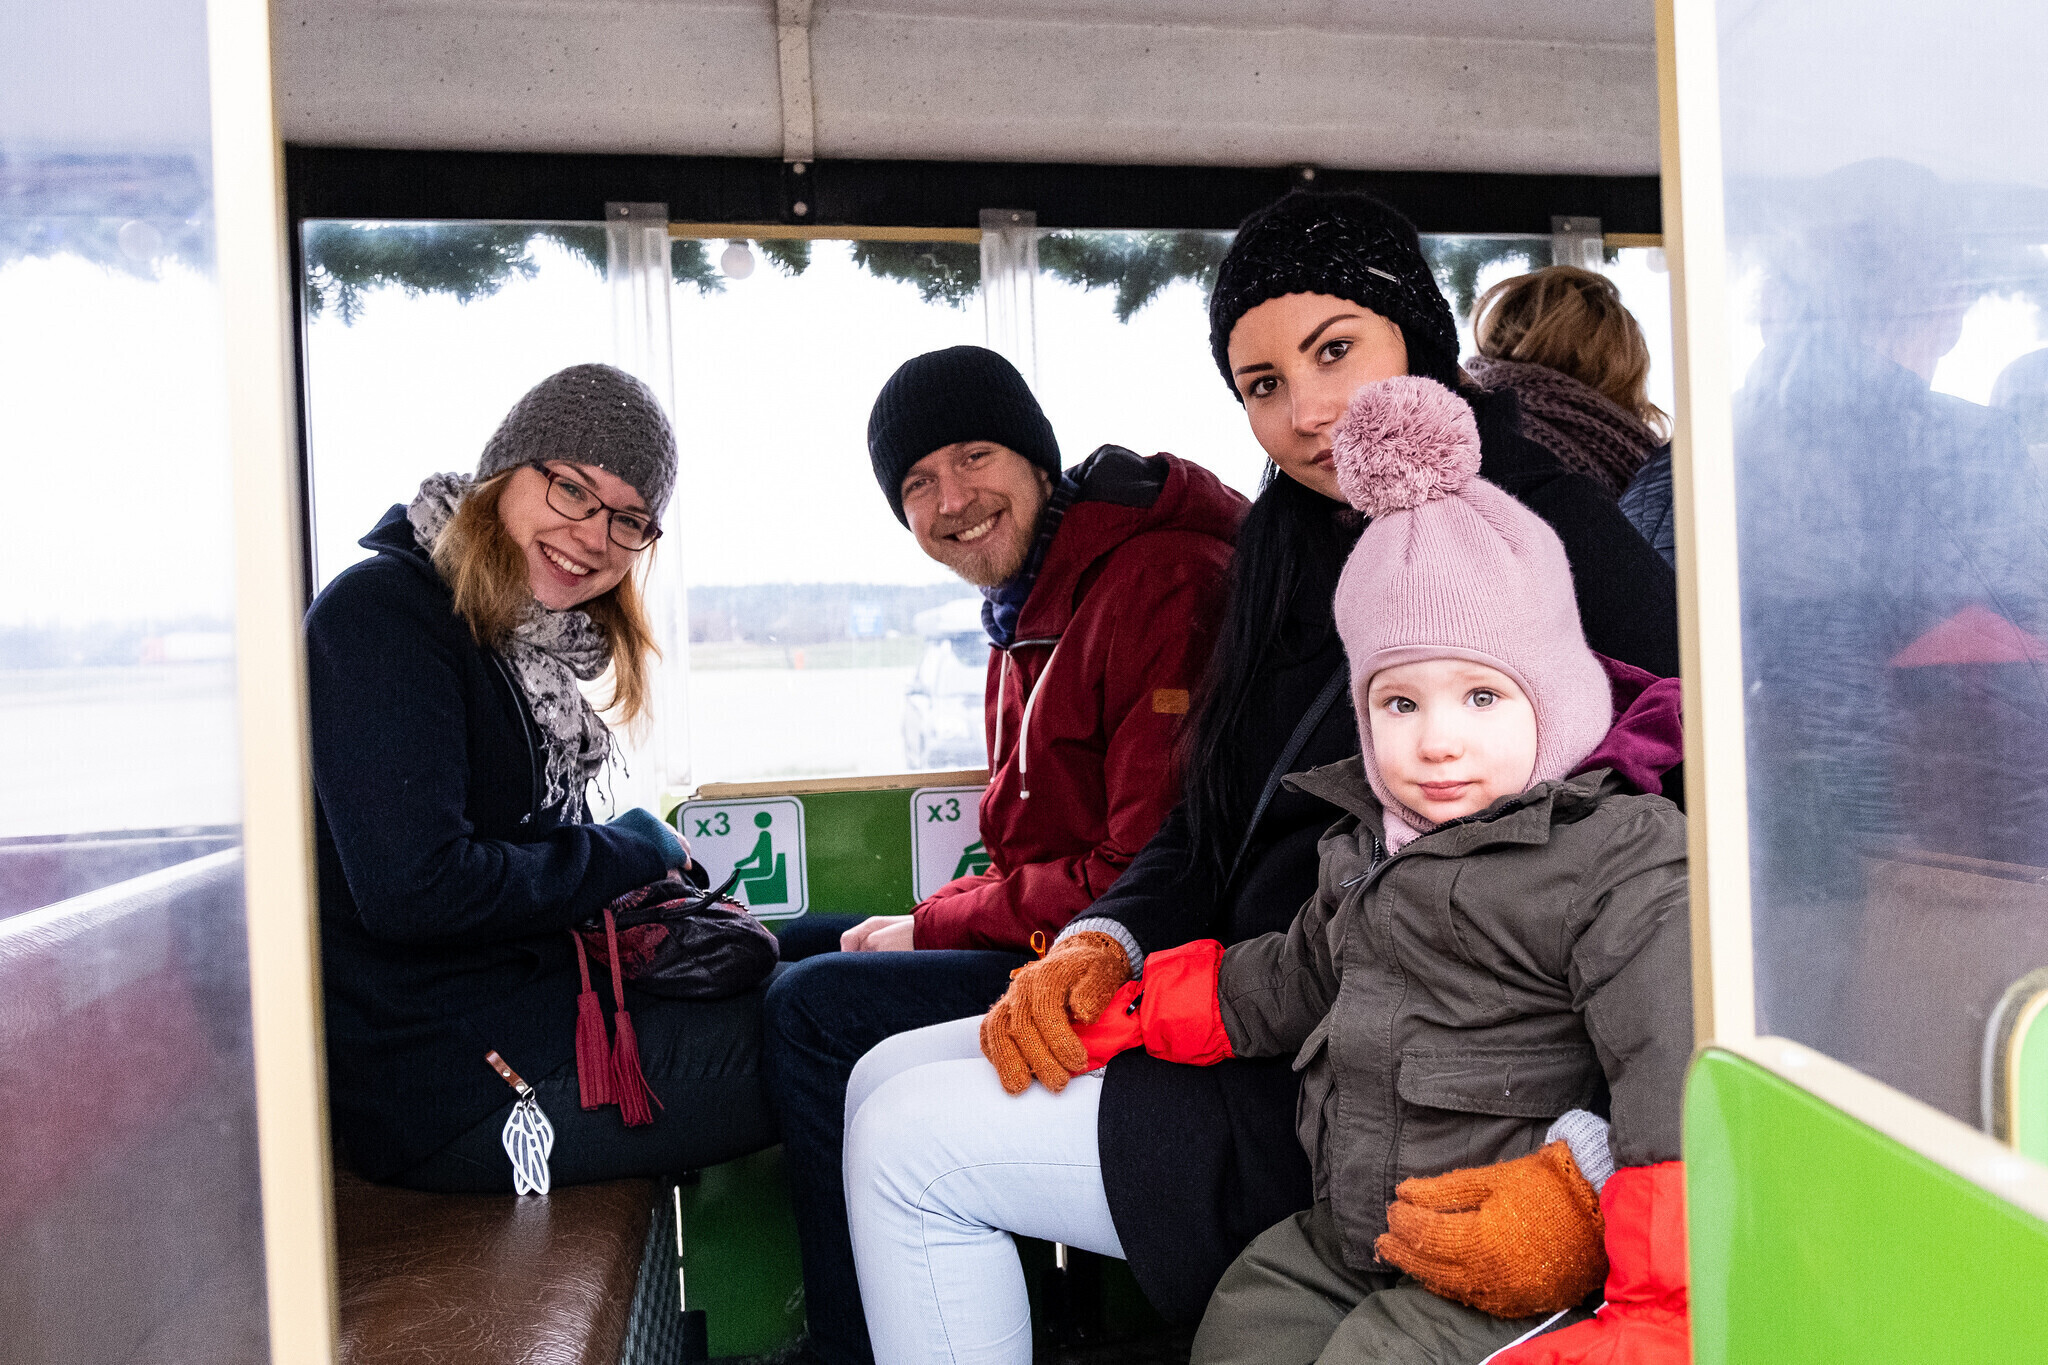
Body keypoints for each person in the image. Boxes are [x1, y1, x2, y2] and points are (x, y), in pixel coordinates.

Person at [836, 188, 1684, 1358]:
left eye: (1334, 351)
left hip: (1429, 1085)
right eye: (1262, 384)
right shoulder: (1287, 543)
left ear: (1416, 337)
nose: (1306, 412)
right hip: (1269, 1005)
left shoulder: (1541, 528)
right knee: (882, 1077)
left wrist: (1587, 1166)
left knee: (909, 1149)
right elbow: (1208, 818)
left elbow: (1679, 882)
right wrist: (1103, 942)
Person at [762, 344, 1245, 1364]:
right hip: (1053, 935)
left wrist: (932, 922)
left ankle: (851, 1344)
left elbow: (1138, 874)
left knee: (812, 1009)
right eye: (917, 483)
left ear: (1035, 456)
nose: (951, 500)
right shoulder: (1029, 606)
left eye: (973, 457)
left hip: (1132, 959)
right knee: (794, 945)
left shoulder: (1159, 583)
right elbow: (1035, 846)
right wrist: (932, 920)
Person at [308, 363, 778, 1190]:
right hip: (453, 1080)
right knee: (828, 1028)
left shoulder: (520, 641)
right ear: (503, 473)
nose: (594, 537)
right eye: (572, 490)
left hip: (542, 1007)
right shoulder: (383, 616)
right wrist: (627, 849)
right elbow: (420, 890)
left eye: (628, 519)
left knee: (829, 962)